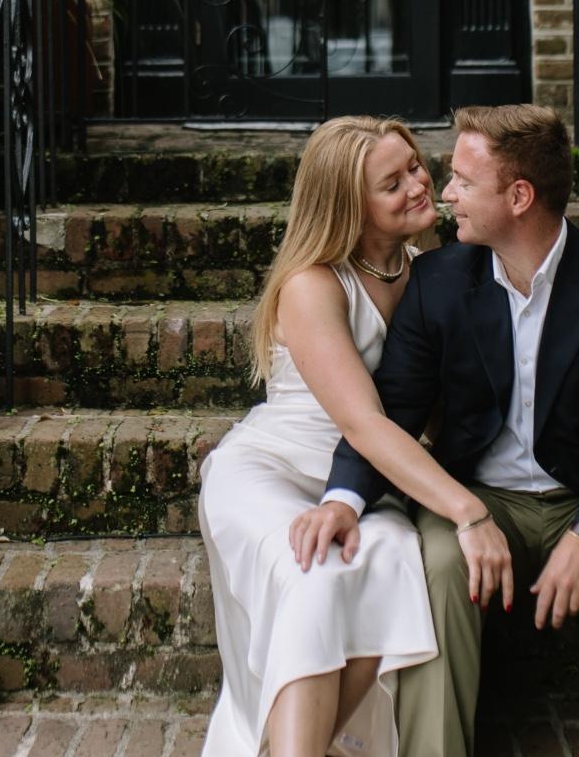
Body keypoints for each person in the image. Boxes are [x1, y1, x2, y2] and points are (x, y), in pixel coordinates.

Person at [293, 104, 579, 757]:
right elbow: (392, 409)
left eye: (464, 182)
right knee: (435, 562)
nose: (445, 194)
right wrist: (343, 498)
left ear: (519, 197)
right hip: (484, 499)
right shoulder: (437, 283)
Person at [199, 115, 516, 757]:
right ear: (350, 206)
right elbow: (363, 422)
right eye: (392, 184)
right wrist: (468, 511)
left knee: (397, 562)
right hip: (277, 470)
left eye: (415, 167)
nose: (419, 185)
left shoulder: (429, 273)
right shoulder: (313, 283)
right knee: (312, 577)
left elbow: (434, 410)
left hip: (369, 483)